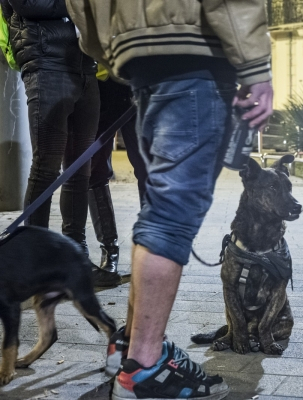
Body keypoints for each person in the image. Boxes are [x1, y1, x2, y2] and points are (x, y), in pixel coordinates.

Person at [66, 0, 273, 398]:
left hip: (137, 60)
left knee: (159, 207)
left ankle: (134, 345)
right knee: (171, 214)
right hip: (194, 52)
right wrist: (255, 66)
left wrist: (109, 45)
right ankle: (144, 366)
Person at [3, 0, 99, 254]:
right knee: (47, 164)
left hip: (85, 63)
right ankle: (36, 256)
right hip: (46, 60)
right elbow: (29, 4)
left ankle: (75, 251)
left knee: (80, 166)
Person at [89, 77, 148, 288]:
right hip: (102, 87)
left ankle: (149, 253)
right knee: (95, 170)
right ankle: (109, 253)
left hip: (138, 81)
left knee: (148, 169)